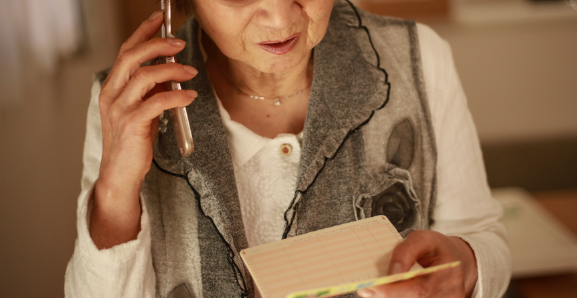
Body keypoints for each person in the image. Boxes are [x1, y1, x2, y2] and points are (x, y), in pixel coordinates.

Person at [64, 0, 511, 297]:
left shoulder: (418, 58)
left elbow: (483, 235)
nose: (280, 18)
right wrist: (116, 192)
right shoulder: (127, 106)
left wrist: (468, 265)